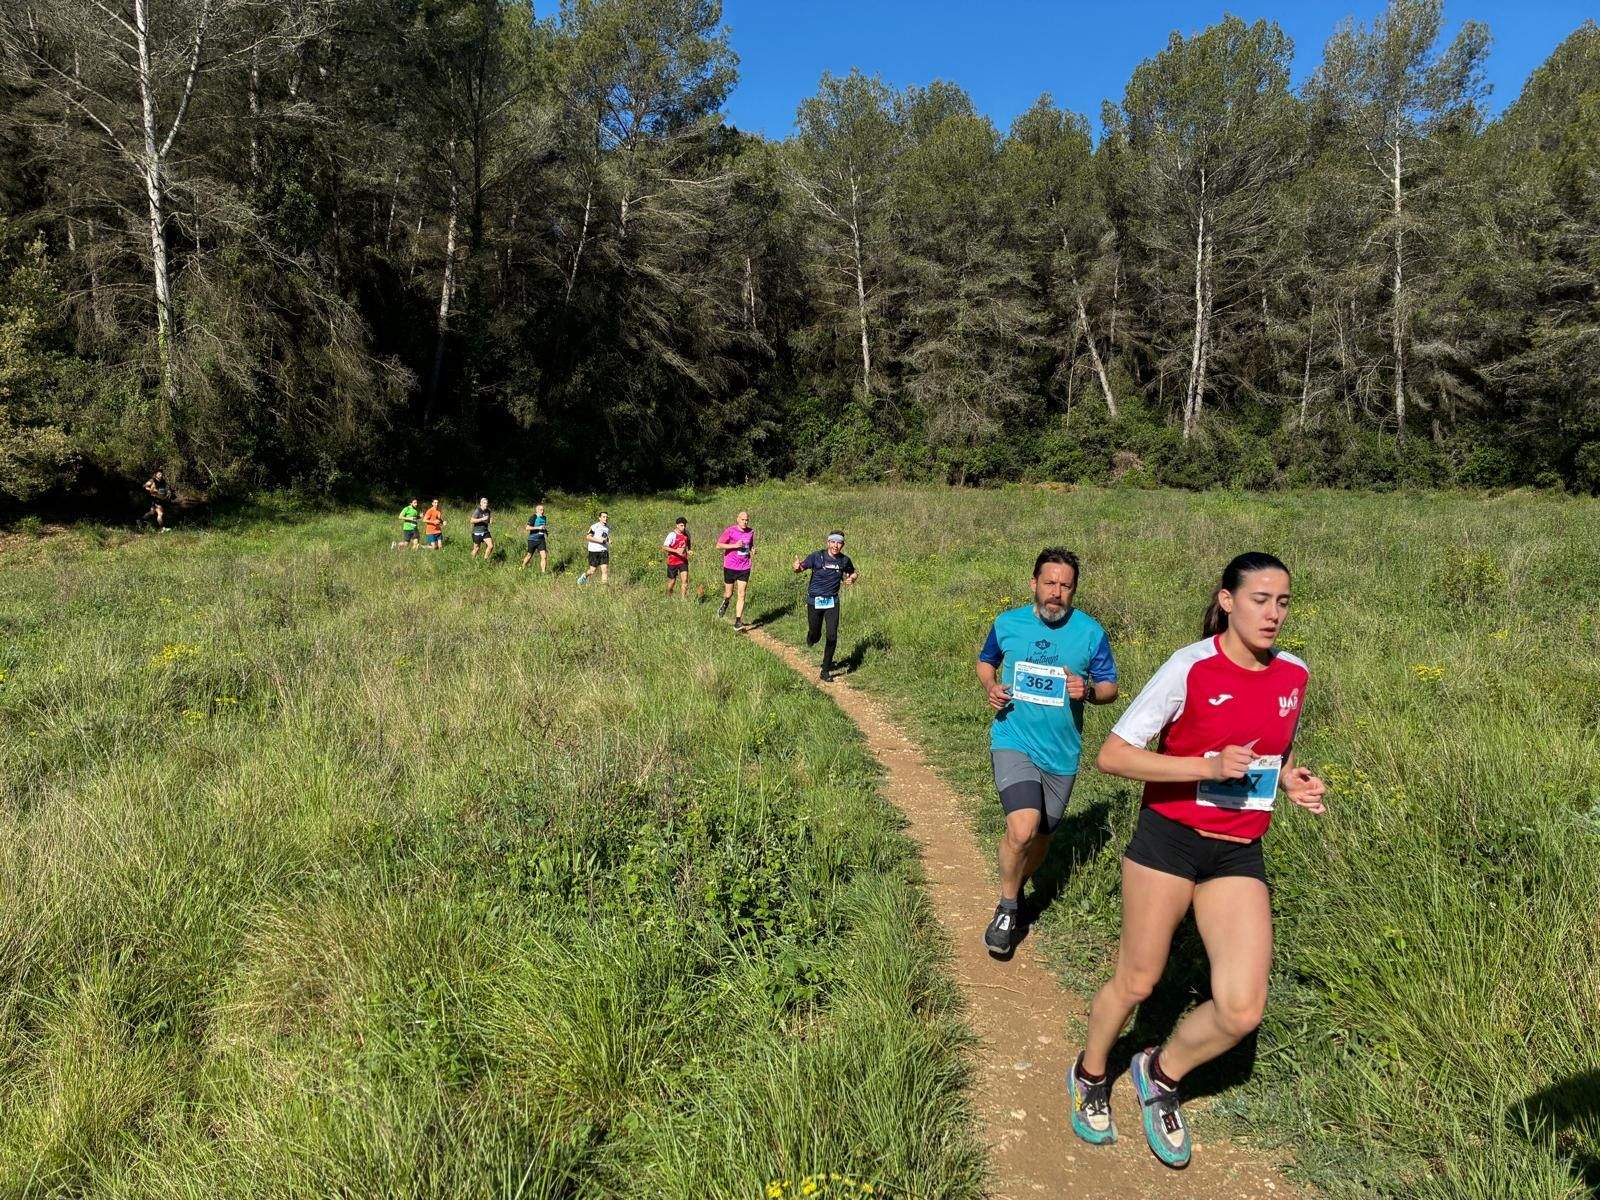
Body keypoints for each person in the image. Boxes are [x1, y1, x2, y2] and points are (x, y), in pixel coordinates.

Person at [1067, 552, 1326, 1169]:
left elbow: (1268, 756)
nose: (1273, 613)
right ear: (1228, 600)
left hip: (1238, 851)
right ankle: (1089, 1071)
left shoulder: (1294, 675)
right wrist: (1203, 767)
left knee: (1242, 1009)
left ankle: (1159, 1073)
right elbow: (1114, 756)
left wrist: (1289, 781)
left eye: (1283, 601)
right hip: (1169, 841)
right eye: (1260, 599)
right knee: (1138, 980)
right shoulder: (1190, 667)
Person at [976, 548, 1119, 960]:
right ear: (1034, 584)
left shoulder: (1090, 633)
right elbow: (986, 663)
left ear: (1074, 590)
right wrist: (990, 686)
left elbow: (1110, 687)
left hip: (1062, 752)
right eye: (1050, 583)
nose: (1056, 592)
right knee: (1022, 828)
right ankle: (1006, 910)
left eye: (1065, 585)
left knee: (1041, 838)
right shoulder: (1007, 623)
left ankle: (1015, 886)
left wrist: (1088, 691)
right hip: (1013, 738)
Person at [792, 531, 857, 681]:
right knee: (815, 634)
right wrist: (796, 567)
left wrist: (852, 579)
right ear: (828, 542)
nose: (836, 545)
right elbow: (800, 568)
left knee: (832, 636)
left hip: (832, 601)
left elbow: (853, 573)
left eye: (839, 543)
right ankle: (812, 636)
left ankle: (825, 669)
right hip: (814, 600)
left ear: (843, 545)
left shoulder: (844, 560)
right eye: (833, 542)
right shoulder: (817, 556)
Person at [716, 510, 755, 629]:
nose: (745, 522)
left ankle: (738, 621)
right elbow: (718, 545)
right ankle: (726, 602)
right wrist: (734, 545)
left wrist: (753, 549)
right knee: (729, 593)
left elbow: (750, 544)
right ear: (737, 519)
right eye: (743, 519)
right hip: (730, 566)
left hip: (744, 567)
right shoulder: (730, 531)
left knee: (742, 594)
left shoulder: (751, 532)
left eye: (747, 519)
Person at [662, 516, 692, 598]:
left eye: (685, 525)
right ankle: (668, 596)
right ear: (677, 525)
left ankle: (683, 600)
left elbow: (688, 542)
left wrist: (689, 550)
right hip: (672, 561)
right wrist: (676, 551)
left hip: (683, 561)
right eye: (682, 525)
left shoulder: (687, 533)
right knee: (672, 582)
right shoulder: (672, 535)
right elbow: (664, 547)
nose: (684, 527)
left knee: (685, 580)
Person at [578, 510, 609, 585]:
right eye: (603, 517)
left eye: (606, 517)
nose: (605, 518)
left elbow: (604, 537)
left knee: (605, 570)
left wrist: (608, 540)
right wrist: (600, 541)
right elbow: (588, 537)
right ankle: (584, 576)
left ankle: (604, 589)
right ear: (599, 518)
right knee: (592, 570)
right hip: (594, 551)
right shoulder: (595, 526)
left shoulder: (607, 528)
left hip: (604, 551)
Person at [522, 503, 549, 572]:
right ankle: (522, 567)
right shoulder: (533, 517)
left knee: (544, 556)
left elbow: (542, 527)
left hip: (541, 540)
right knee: (529, 556)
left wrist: (545, 531)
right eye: (540, 510)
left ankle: (543, 573)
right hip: (532, 540)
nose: (542, 511)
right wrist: (538, 527)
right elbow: (527, 528)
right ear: (537, 510)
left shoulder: (544, 518)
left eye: (543, 510)